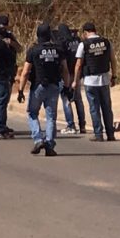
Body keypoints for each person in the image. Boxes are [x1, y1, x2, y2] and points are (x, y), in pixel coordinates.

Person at [18, 23, 73, 156]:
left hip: (38, 86)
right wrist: (67, 87)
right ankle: (49, 144)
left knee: (32, 113)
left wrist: (20, 90)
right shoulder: (58, 49)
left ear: (38, 35)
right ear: (50, 35)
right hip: (54, 86)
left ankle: (38, 139)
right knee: (51, 117)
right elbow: (65, 70)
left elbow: (25, 72)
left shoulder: (33, 50)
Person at [74, 22, 118, 142]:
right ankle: (110, 134)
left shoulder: (83, 44)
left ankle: (98, 134)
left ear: (85, 33)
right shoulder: (106, 42)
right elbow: (113, 60)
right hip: (104, 80)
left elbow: (78, 64)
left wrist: (75, 81)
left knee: (94, 108)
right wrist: (114, 76)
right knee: (107, 108)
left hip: (90, 81)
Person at [55, 24, 86, 135]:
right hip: (78, 74)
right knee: (78, 100)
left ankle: (71, 125)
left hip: (67, 74)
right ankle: (82, 125)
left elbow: (62, 63)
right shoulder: (77, 40)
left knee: (66, 100)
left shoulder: (61, 43)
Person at [0, 15, 22, 132]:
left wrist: (11, 42)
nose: (3, 28)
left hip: (9, 71)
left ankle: (2, 124)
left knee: (5, 100)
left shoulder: (9, 35)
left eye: (5, 26)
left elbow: (19, 49)